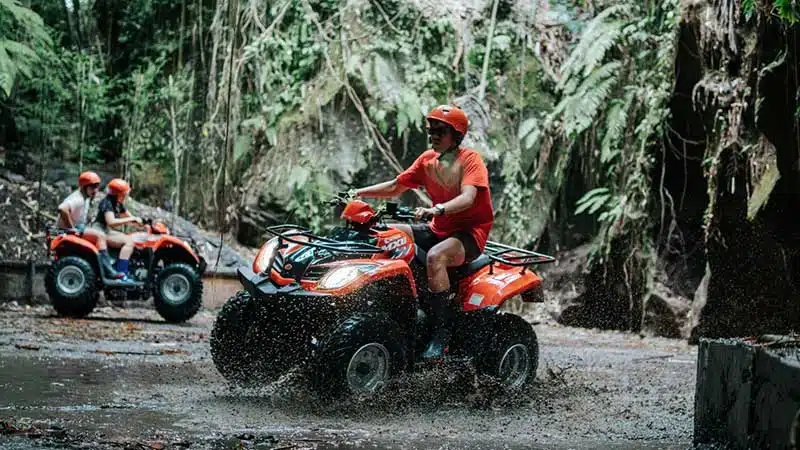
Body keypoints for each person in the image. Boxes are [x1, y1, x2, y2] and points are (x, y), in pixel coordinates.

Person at [352, 104, 494, 359]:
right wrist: (357, 193)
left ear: (457, 135)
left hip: (469, 234)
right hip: (437, 228)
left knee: (435, 257)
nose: (434, 136)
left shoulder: (471, 160)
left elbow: (469, 198)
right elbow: (396, 186)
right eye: (431, 131)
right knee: (383, 234)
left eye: (441, 131)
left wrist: (437, 209)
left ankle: (441, 334)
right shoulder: (427, 161)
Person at [57, 171, 123, 279]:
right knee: (100, 236)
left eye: (97, 187)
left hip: (78, 226)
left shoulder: (85, 197)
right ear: (84, 187)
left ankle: (102, 264)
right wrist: (71, 228)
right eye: (92, 187)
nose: (95, 190)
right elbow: (62, 209)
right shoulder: (77, 199)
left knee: (100, 232)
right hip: (66, 230)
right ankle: (108, 270)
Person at [91, 178, 145, 281]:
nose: (126, 196)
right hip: (99, 231)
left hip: (106, 230)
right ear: (119, 194)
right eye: (124, 194)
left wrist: (142, 225)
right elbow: (111, 221)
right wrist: (132, 219)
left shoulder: (117, 203)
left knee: (129, 237)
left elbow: (128, 216)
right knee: (129, 242)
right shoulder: (107, 203)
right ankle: (122, 273)